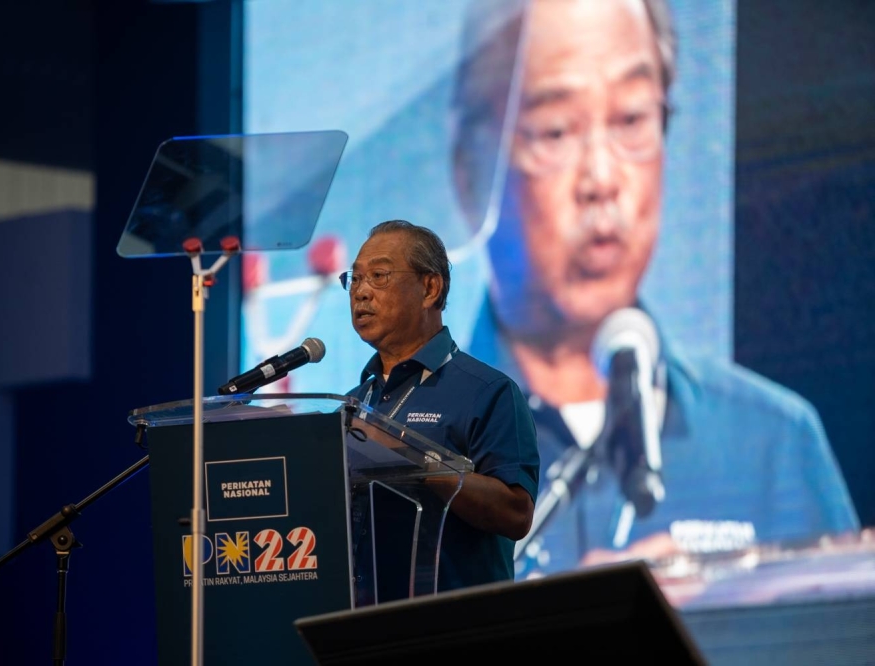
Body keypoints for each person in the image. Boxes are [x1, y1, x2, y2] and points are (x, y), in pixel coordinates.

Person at [449, 0, 860, 577]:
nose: (602, 179)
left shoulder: (772, 441)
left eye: (632, 120)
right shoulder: (397, 453)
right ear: (469, 171)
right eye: (556, 130)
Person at [342, 219, 540, 593]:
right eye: (354, 279)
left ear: (430, 288)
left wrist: (407, 456)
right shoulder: (356, 402)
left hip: (452, 628)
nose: (361, 292)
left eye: (379, 275)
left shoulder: (488, 391)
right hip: (361, 623)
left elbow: (516, 513)